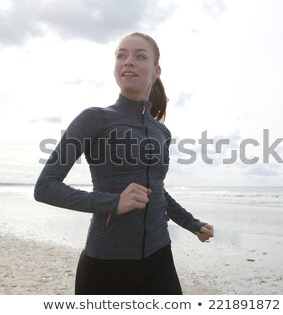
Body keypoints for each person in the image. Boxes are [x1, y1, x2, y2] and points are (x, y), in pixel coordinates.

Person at [34, 32, 214, 295]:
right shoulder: (95, 118)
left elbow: (157, 190)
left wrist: (192, 224)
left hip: (160, 257)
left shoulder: (161, 133)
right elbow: (45, 187)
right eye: (121, 55)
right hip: (106, 262)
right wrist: (113, 203)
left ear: (156, 71)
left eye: (140, 56)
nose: (128, 61)